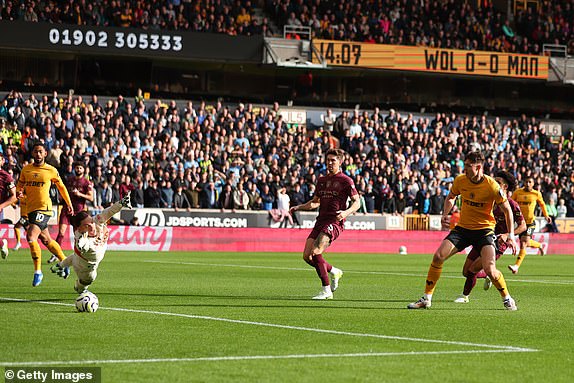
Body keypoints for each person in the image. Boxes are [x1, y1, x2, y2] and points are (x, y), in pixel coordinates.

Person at [407, 151, 518, 311]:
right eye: (464, 165)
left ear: (478, 167)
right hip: (463, 229)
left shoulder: (491, 185)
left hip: (484, 231)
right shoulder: (460, 180)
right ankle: (426, 298)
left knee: (490, 269)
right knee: (438, 257)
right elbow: (451, 197)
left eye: (468, 166)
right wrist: (445, 214)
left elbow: (507, 210)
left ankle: (507, 298)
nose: (464, 169)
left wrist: (512, 236)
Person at [289, 148, 361, 300]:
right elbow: (315, 203)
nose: (329, 163)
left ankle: (326, 290)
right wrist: (298, 207)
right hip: (320, 221)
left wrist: (345, 213)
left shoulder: (346, 181)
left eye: (333, 160)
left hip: (334, 221)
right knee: (307, 257)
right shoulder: (322, 181)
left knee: (316, 251)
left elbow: (357, 203)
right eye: (328, 160)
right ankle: (334, 271)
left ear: (340, 162)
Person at [454, 170, 526, 303]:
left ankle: (465, 296)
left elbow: (523, 226)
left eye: (498, 182)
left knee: (472, 270)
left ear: (505, 187)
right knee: (466, 271)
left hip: (499, 243)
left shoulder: (511, 204)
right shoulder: (489, 200)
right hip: (482, 237)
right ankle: (489, 274)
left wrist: (507, 235)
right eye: (494, 181)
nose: (494, 184)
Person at [16, 142, 74, 287]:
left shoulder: (51, 170)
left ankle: (38, 272)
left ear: (45, 154)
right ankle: (65, 262)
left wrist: (68, 203)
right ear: (33, 153)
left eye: (41, 152)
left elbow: (62, 187)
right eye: (36, 152)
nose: (38, 154)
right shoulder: (26, 170)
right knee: (46, 239)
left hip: (44, 209)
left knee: (31, 236)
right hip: (31, 209)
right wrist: (19, 192)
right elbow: (19, 185)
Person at [51, 193, 132, 293]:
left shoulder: (96, 221)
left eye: (91, 222)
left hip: (79, 257)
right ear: (79, 228)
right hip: (85, 268)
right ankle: (78, 287)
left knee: (75, 257)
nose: (92, 226)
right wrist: (81, 244)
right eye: (87, 226)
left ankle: (59, 266)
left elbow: (109, 211)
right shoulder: (81, 238)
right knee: (86, 282)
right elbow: (83, 246)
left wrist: (121, 203)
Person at [49, 162, 94, 263]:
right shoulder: (69, 180)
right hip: (67, 209)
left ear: (84, 170)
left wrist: (80, 194)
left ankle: (79, 255)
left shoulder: (87, 183)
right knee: (61, 233)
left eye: (80, 168)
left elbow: (91, 197)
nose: (78, 169)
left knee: (77, 235)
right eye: (77, 168)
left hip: (79, 212)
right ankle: (55, 254)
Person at [509, 176, 552, 274]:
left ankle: (516, 266)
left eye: (530, 182)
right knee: (525, 243)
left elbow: (542, 205)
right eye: (526, 181)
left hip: (530, 223)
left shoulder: (536, 194)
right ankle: (540, 245)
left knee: (524, 242)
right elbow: (510, 203)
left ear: (533, 184)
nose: (527, 184)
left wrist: (546, 215)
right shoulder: (517, 192)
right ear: (524, 182)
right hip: (521, 223)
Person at [0, 155, 18, 259]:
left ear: (2, 162)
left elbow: (14, 196)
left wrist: (1, 206)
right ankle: (2, 243)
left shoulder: (6, 176)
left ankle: (2, 243)